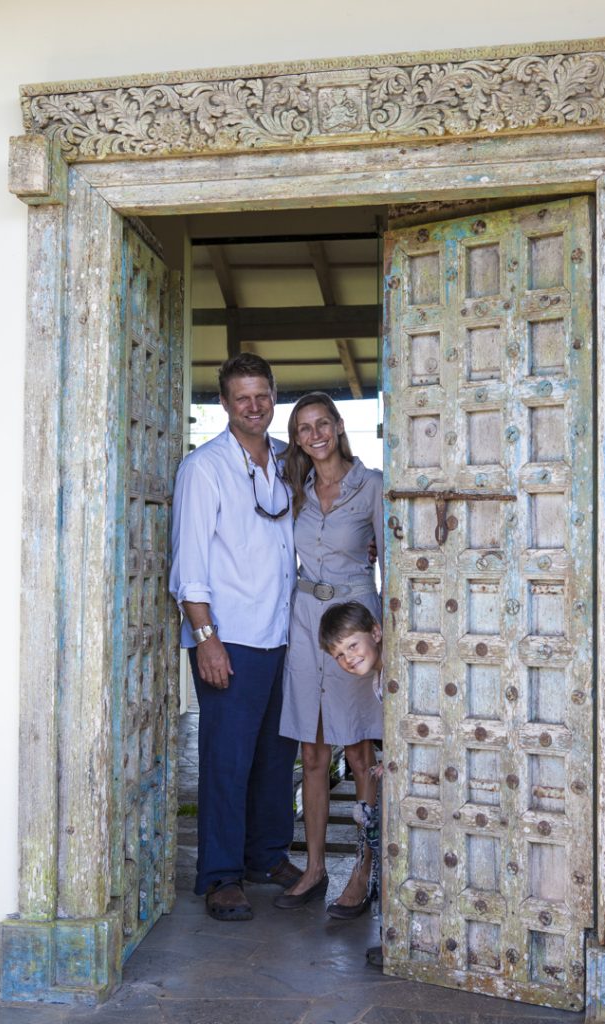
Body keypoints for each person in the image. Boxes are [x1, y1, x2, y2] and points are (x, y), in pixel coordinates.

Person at [169, 354, 302, 922]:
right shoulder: (205, 467)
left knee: (277, 756)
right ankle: (221, 874)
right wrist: (206, 638)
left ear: (275, 396)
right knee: (226, 759)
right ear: (224, 403)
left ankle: (266, 855)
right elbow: (189, 564)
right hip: (231, 636)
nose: (254, 406)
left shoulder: (286, 461)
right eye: (242, 397)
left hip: (283, 632)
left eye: (263, 395)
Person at [274, 392, 383, 916]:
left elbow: (395, 561)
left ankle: (364, 870)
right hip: (303, 622)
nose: (314, 434)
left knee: (360, 752)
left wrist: (388, 633)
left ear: (339, 427)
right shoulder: (295, 487)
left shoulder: (372, 486)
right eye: (302, 428)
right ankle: (315, 869)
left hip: (353, 623)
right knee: (312, 754)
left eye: (322, 424)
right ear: (295, 438)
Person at [318, 601, 384, 967]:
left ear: (376, 631)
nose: (347, 658)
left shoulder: (394, 668)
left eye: (352, 646)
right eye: (339, 654)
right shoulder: (376, 679)